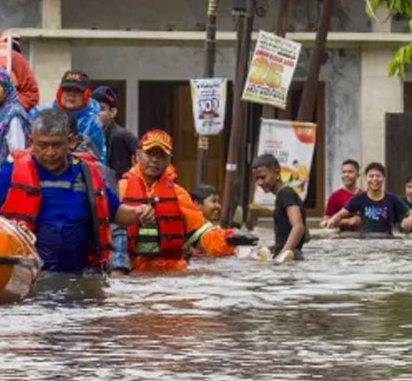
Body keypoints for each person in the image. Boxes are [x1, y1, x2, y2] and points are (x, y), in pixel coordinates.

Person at [0, 109, 151, 274]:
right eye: (42, 145)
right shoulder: (11, 173)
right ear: (31, 140)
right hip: (29, 275)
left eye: (57, 145)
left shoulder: (87, 173)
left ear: (71, 142)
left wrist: (138, 213)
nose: (50, 152)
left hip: (80, 275)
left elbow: (117, 212)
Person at [117, 130, 245, 272]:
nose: (154, 160)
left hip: (170, 275)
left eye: (161, 155)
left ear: (169, 160)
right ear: (137, 156)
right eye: (150, 153)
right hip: (129, 272)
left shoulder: (179, 194)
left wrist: (229, 239)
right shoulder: (119, 190)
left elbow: (203, 236)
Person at [326, 162, 412, 237]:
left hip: (387, 240)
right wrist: (333, 220)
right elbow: (341, 214)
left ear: (383, 178)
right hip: (365, 240)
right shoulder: (359, 199)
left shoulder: (392, 198)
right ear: (366, 178)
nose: (374, 179)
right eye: (371, 176)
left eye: (378, 176)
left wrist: (409, 219)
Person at [40, 70, 106, 162]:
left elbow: (98, 159)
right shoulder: (40, 114)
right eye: (67, 89)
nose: (71, 94)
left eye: (77, 91)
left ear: (86, 95)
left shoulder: (93, 123)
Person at [252, 153, 308, 261]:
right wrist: (271, 249)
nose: (260, 182)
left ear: (276, 172)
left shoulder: (286, 194)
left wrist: (282, 256)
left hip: (290, 259)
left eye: (263, 177)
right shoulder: (283, 196)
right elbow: (306, 235)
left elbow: (299, 227)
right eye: (256, 178)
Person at [0, 67, 30, 175]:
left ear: (6, 87)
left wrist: (0, 176)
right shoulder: (1, 114)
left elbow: (17, 154)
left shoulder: (13, 115)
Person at [93, 87, 136, 178]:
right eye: (93, 108)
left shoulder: (124, 137)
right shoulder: (85, 134)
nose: (96, 113)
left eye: (101, 109)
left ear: (112, 112)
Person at [322, 159, 362, 230]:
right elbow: (326, 221)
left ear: (358, 174)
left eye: (350, 172)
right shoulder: (335, 196)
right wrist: (347, 222)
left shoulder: (363, 195)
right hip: (340, 237)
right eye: (344, 172)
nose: (346, 175)